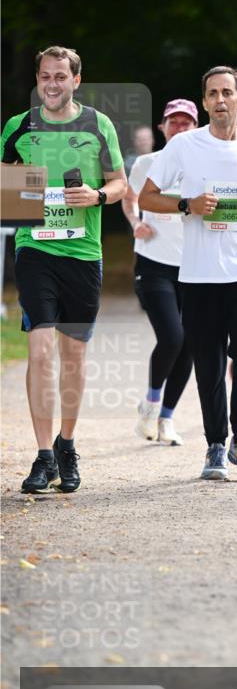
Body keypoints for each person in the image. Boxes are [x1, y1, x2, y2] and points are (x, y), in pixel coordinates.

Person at [0, 45, 127, 493]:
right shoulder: (18, 126)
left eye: (60, 76)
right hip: (35, 250)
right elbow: (4, 179)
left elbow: (119, 182)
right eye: (45, 76)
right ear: (37, 79)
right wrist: (19, 188)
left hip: (83, 253)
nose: (51, 84)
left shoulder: (98, 124)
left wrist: (97, 196)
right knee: (39, 352)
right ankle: (42, 456)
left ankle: (66, 445)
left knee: (73, 356)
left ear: (76, 80)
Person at [138, 66, 237, 482]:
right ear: (205, 102)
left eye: (226, 92)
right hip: (198, 273)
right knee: (208, 361)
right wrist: (187, 205)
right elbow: (147, 198)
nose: (219, 100)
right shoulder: (184, 146)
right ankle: (215, 445)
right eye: (212, 93)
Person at [122, 98, 198, 446]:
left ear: (195, 127)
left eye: (186, 123)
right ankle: (151, 402)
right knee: (172, 337)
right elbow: (129, 197)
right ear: (162, 127)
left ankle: (166, 418)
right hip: (154, 264)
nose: (180, 128)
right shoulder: (147, 163)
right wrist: (135, 223)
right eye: (174, 122)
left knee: (190, 344)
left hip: (194, 266)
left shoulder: (204, 164)